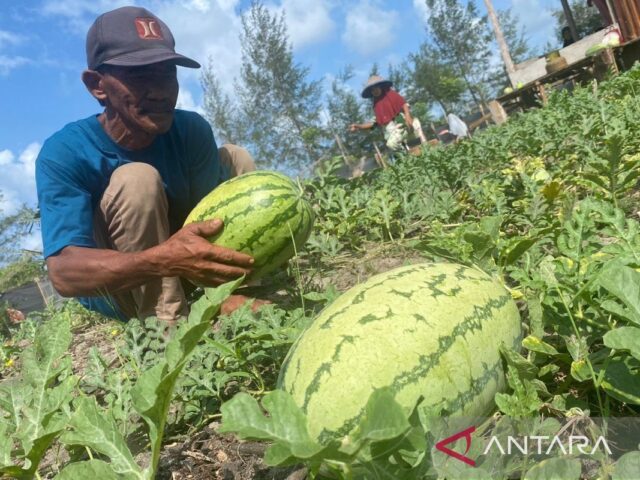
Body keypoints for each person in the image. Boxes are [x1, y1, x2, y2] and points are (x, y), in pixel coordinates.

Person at [35, 6, 262, 324]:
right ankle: (163, 331)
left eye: (167, 72)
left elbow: (212, 225)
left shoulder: (191, 132)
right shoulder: (65, 152)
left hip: (188, 272)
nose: (161, 91)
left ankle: (242, 290)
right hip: (124, 291)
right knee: (136, 180)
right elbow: (64, 275)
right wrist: (162, 260)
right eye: (139, 75)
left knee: (235, 157)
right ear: (97, 86)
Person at [348, 75, 426, 152]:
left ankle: (422, 142)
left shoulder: (391, 95)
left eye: (376, 88)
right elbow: (374, 122)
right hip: (392, 133)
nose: (375, 91)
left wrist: (408, 116)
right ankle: (405, 153)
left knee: (415, 131)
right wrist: (358, 126)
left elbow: (403, 104)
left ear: (380, 86)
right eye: (372, 90)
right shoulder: (376, 106)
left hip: (403, 125)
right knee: (392, 145)